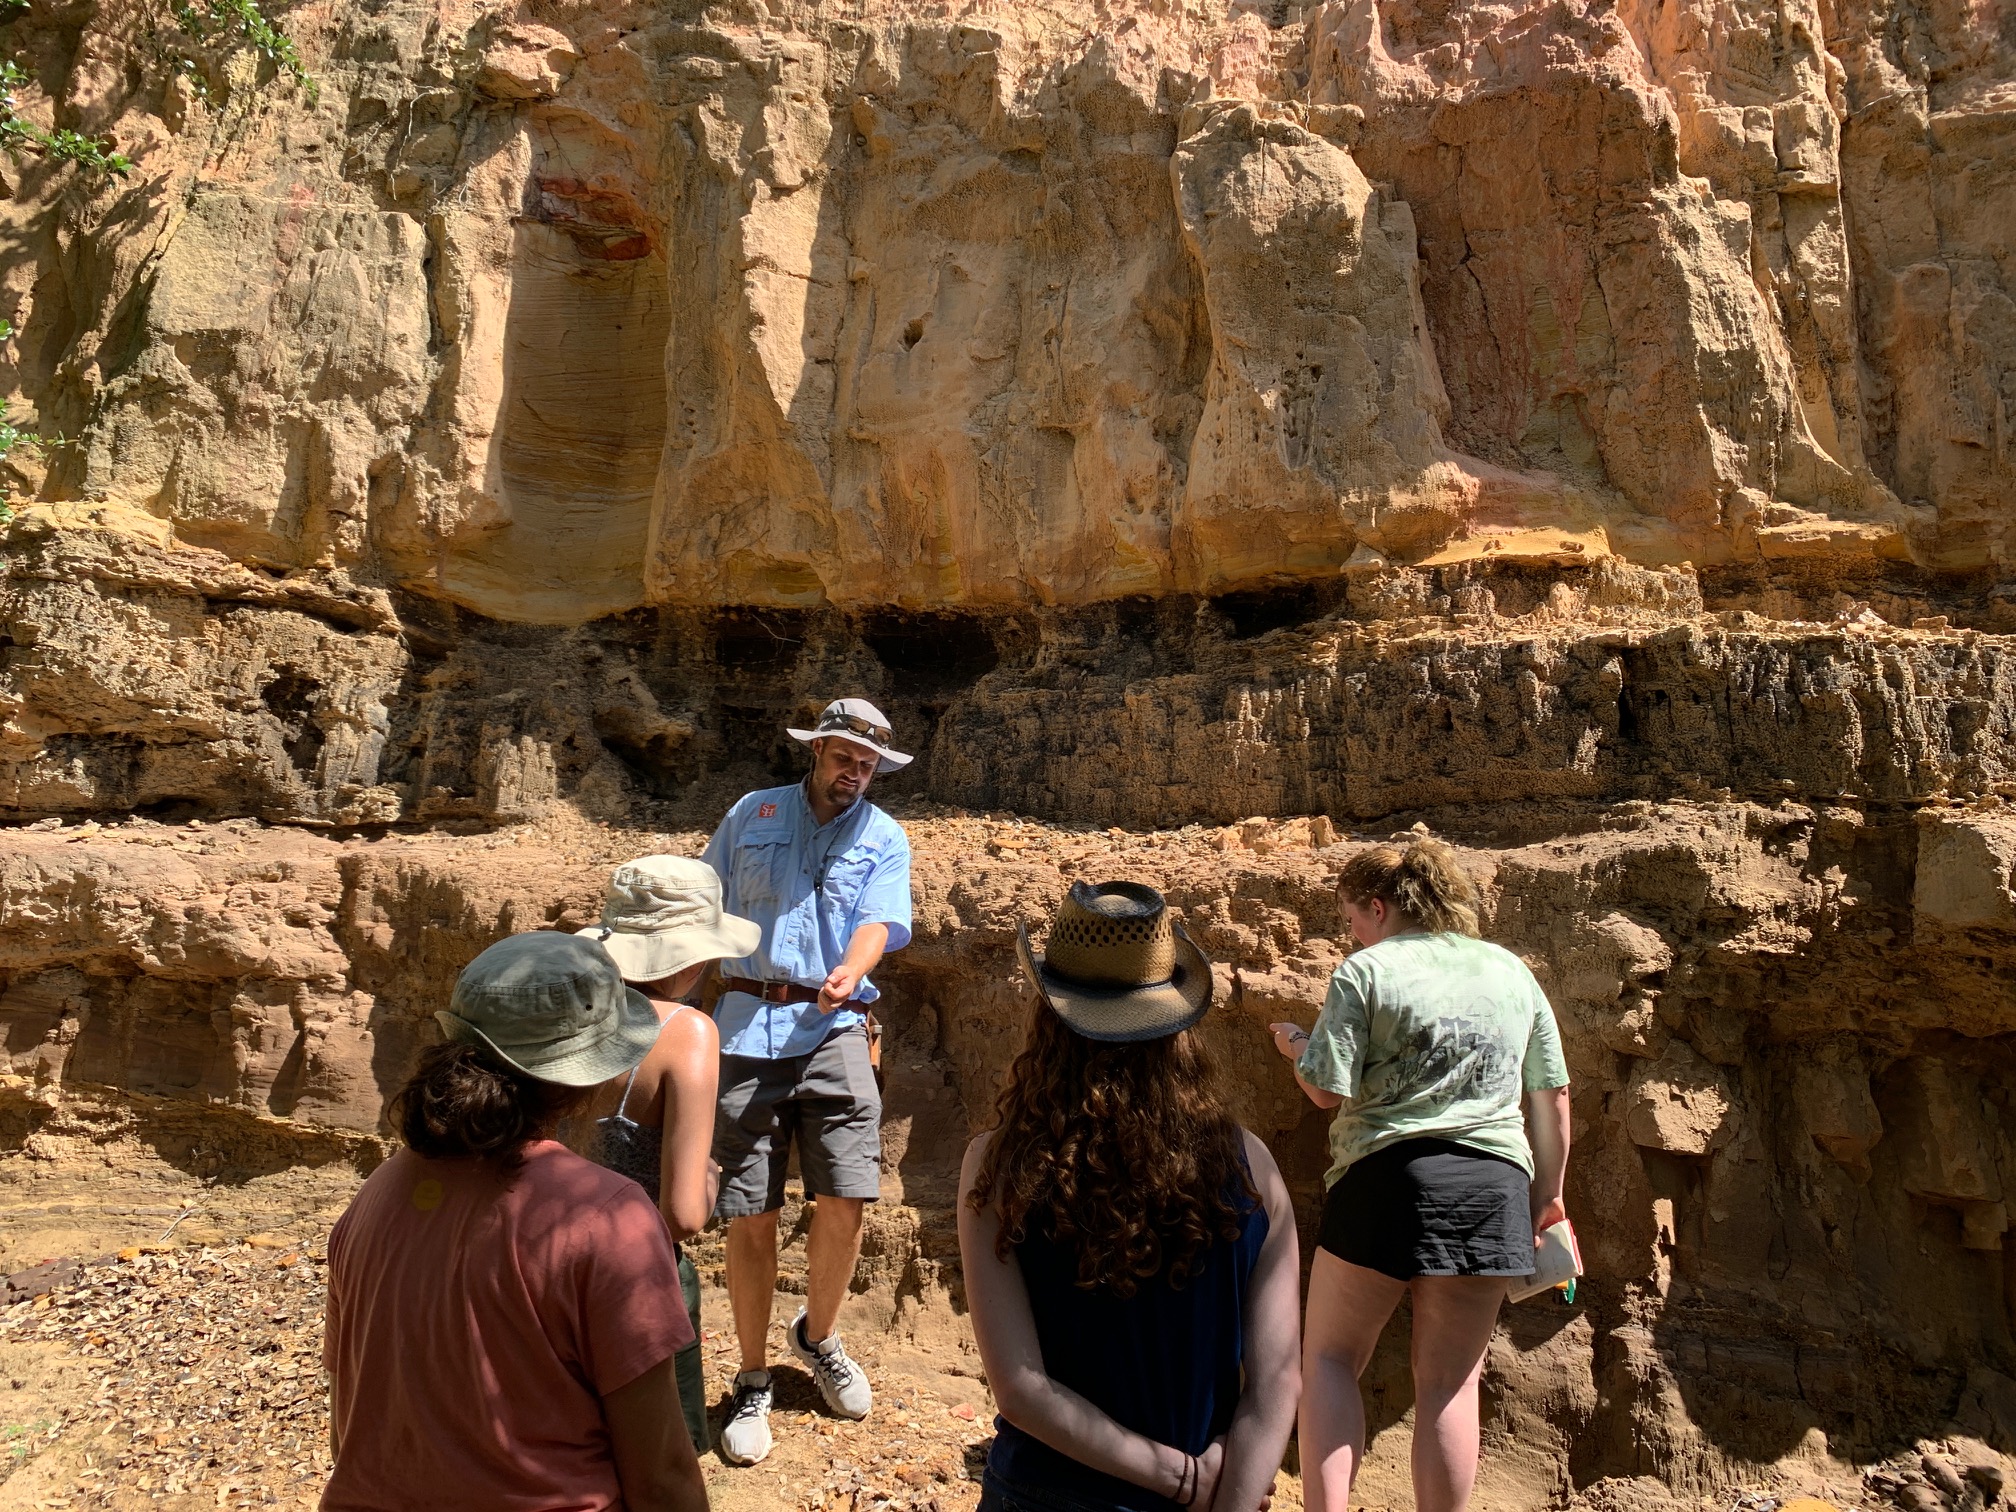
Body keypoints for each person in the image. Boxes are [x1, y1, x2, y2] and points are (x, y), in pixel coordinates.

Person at [323, 932, 710, 1512]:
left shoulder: (377, 1193)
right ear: (586, 1076)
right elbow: (663, 1477)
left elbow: (351, 1417)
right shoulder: (607, 1217)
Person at [960, 880, 1302, 1512]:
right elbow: (1277, 1381)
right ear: (1176, 1022)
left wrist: (1179, 1478)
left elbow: (1021, 1389)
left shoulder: (1000, 1166)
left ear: (1050, 1016)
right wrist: (1220, 1497)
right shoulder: (1252, 1164)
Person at [1269, 838, 1572, 1512]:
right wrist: (1547, 1197)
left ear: (1378, 906)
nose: (1352, 932)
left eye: (1352, 918)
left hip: (1384, 1179)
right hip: (1491, 1189)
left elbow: (1324, 1089)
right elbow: (1550, 1094)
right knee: (1451, 1384)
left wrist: (1296, 1043)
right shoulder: (1511, 972)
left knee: (1330, 1361)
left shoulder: (1367, 970)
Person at [699, 697, 915, 1466]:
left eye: (870, 766)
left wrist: (849, 972)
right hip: (745, 1026)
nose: (856, 774)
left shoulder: (884, 836)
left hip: (836, 1027)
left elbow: (881, 923)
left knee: (849, 1194)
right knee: (748, 1212)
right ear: (817, 750)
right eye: (846, 758)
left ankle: (817, 1337)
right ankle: (754, 1375)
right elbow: (701, 903)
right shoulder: (751, 814)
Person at [571, 854, 762, 1457]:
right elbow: (681, 1215)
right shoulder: (686, 1030)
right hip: (637, 1272)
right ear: (687, 957)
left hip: (546, 1255)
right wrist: (708, 1180)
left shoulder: (570, 1008)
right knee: (659, 1456)